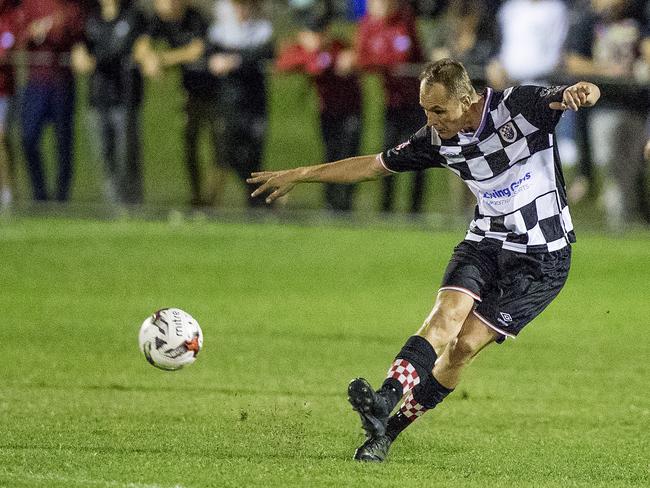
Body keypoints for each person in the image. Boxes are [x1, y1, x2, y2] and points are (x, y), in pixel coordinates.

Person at [247, 58, 600, 462]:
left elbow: (581, 91)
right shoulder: (437, 140)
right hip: (485, 242)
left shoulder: (517, 106)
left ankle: (388, 433)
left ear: (467, 100)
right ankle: (384, 399)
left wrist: (584, 91)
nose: (431, 120)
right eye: (425, 110)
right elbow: (372, 167)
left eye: (438, 110)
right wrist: (301, 173)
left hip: (542, 259)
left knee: (463, 346)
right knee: (445, 318)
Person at [275, 10, 362, 212]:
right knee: (330, 156)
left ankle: (345, 204)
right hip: (328, 112)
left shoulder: (338, 47)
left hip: (350, 110)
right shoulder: (306, 50)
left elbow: (355, 57)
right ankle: (331, 203)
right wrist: (311, 55)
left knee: (350, 156)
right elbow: (284, 63)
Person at [138, 0, 217, 208]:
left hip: (215, 89)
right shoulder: (158, 21)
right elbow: (140, 47)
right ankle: (198, 198)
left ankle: (213, 198)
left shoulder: (196, 18)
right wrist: (148, 58)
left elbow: (195, 50)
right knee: (190, 145)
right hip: (189, 92)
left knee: (220, 149)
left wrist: (162, 59)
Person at [71, 0, 147, 206]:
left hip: (125, 96)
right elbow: (79, 48)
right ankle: (114, 205)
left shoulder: (132, 16)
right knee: (105, 155)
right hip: (98, 97)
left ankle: (134, 204)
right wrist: (79, 53)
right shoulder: (91, 18)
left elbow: (128, 47)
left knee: (127, 155)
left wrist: (95, 59)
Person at [354, 0, 426, 213]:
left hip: (414, 101)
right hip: (390, 102)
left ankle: (415, 210)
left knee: (418, 154)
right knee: (389, 154)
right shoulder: (369, 24)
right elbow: (362, 57)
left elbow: (411, 55)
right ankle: (386, 207)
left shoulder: (406, 21)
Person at [207, 0, 273, 207]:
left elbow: (264, 55)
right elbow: (210, 56)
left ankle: (256, 203)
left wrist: (235, 62)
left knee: (254, 154)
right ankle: (263, 194)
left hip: (254, 102)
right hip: (229, 101)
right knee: (228, 153)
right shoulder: (220, 31)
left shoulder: (262, 30)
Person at [18, 0, 84, 202]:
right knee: (28, 137)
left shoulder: (72, 6)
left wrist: (58, 29)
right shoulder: (31, 4)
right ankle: (40, 193)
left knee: (63, 141)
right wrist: (34, 31)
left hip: (62, 83)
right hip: (37, 83)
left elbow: (78, 33)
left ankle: (61, 196)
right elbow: (19, 36)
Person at [0, 0, 19, 209]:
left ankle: (7, 190)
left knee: (2, 139)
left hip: (3, 92)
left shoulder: (9, 19)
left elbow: (5, 52)